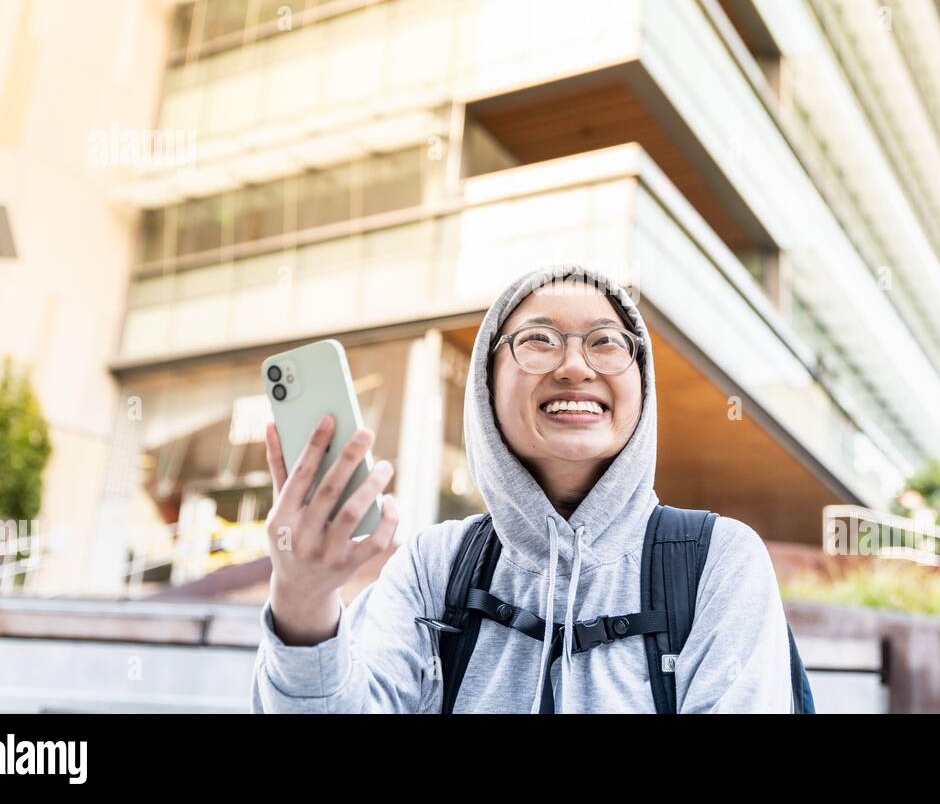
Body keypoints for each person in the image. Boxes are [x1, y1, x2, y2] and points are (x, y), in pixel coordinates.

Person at [251, 262, 794, 713]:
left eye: (606, 342)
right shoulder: (434, 565)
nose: (575, 366)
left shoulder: (717, 560)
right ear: (486, 386)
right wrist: (303, 599)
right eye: (539, 340)